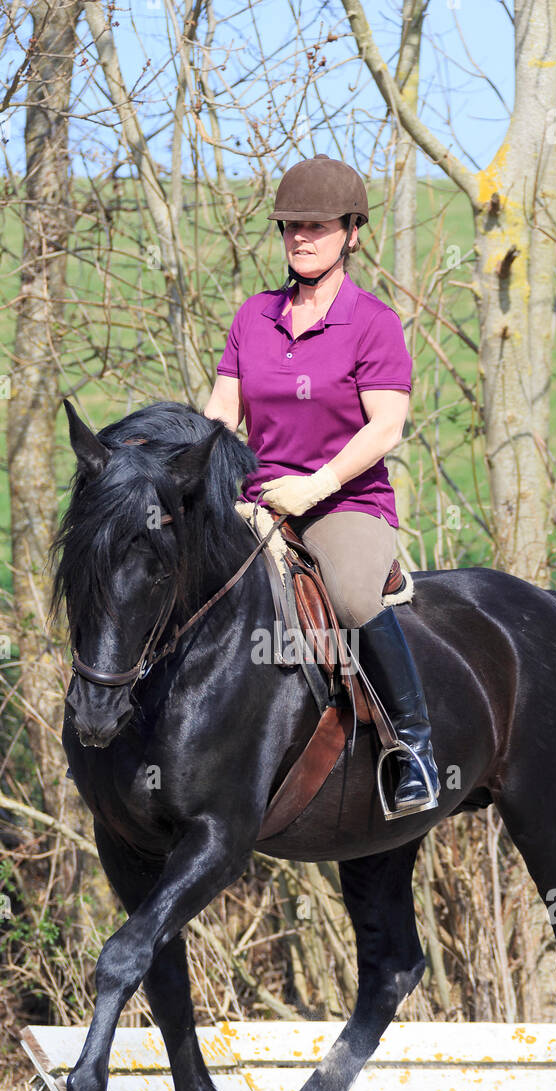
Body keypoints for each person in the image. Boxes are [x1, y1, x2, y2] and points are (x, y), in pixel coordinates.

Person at [204, 154, 440, 818]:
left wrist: (315, 487)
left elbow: (386, 427)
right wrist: (210, 485)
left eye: (318, 226)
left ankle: (414, 748)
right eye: (290, 227)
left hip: (345, 500)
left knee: (351, 594)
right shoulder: (254, 317)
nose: (302, 238)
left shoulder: (373, 322)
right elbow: (222, 416)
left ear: (353, 233)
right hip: (258, 499)